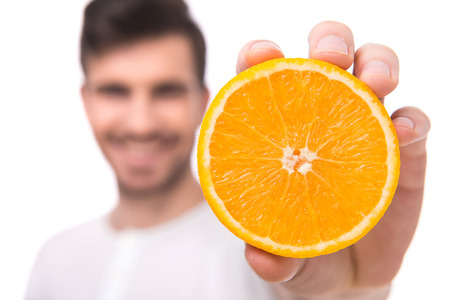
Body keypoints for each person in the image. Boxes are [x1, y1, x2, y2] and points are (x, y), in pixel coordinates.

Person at [25, 0, 431, 299]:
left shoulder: (264, 249)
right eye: (115, 91)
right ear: (86, 100)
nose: (141, 122)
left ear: (203, 101)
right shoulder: (53, 260)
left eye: (167, 91)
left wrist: (355, 289)